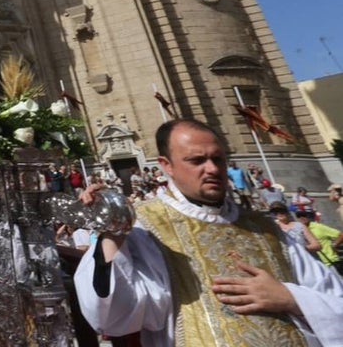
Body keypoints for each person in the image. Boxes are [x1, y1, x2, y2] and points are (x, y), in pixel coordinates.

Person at [74, 118, 343, 346]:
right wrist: (113, 230)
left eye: (218, 159)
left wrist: (291, 298)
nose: (212, 169)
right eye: (197, 160)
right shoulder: (147, 228)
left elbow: (335, 299)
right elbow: (114, 315)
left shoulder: (269, 230)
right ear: (166, 165)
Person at [296, 209, 343, 276]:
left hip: (330, 262)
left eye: (304, 215)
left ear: (309, 216)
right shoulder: (298, 231)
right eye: (299, 216)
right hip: (315, 265)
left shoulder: (318, 227)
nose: (301, 218)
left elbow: (340, 235)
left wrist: (334, 245)